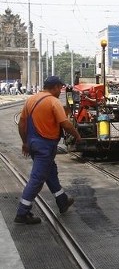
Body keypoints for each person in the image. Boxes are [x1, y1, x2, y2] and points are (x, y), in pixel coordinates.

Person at [15, 76, 82, 225]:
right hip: (45, 146)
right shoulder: (53, 101)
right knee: (37, 179)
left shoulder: (31, 100)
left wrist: (25, 142)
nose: (61, 91)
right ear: (56, 87)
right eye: (60, 88)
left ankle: (62, 200)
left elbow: (21, 124)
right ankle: (22, 212)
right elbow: (65, 124)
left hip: (32, 144)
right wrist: (77, 135)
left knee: (50, 171)